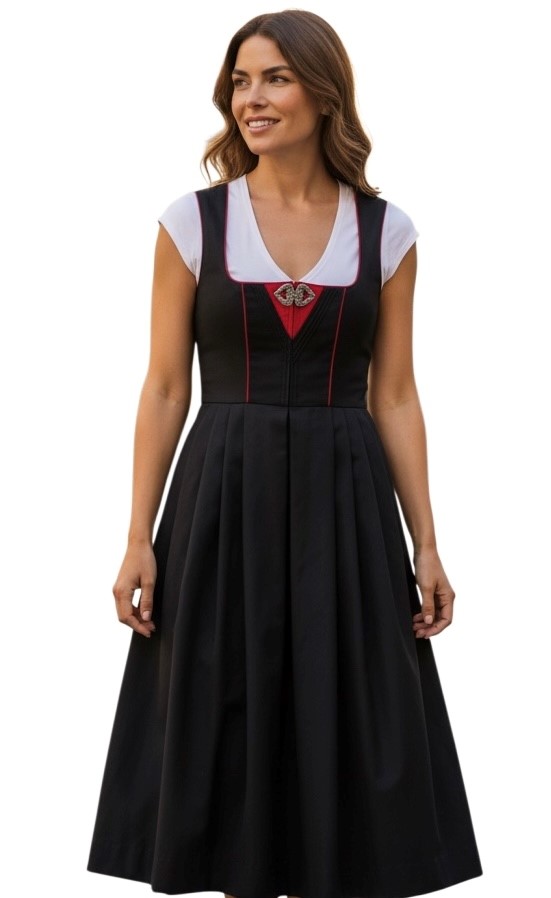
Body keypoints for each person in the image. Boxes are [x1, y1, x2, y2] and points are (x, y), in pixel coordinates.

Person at [87, 9, 482, 898]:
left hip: (346, 498)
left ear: (324, 91)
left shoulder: (387, 231)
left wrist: (425, 543)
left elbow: (393, 393)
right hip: (222, 494)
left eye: (275, 78)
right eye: (240, 81)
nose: (251, 99)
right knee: (222, 695)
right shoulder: (191, 222)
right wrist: (138, 535)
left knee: (351, 699)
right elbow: (165, 387)